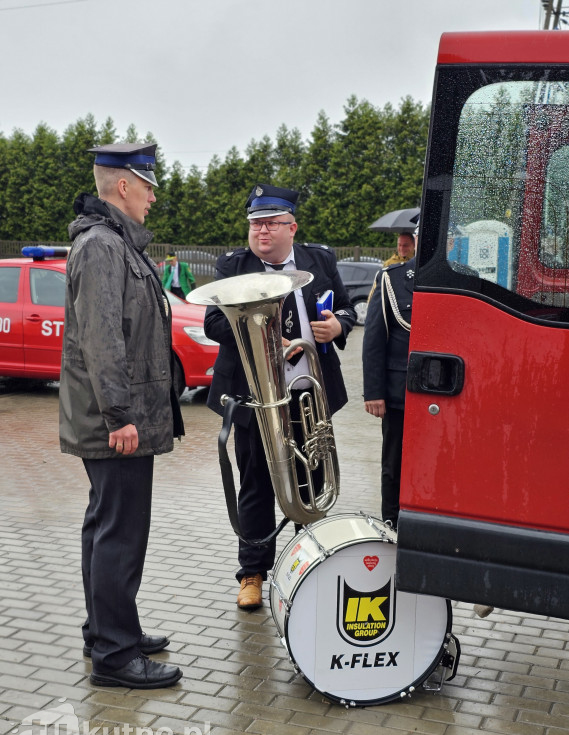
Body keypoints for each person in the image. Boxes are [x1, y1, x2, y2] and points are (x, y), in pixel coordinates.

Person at [59, 142, 185, 689]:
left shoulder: (114, 243)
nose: (155, 196)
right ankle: (115, 655)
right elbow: (103, 340)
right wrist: (119, 416)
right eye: (149, 185)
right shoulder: (102, 246)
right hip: (115, 421)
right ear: (126, 186)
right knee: (120, 535)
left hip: (116, 417)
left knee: (104, 526)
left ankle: (106, 627)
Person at [204, 183, 356, 609]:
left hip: (309, 393)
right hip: (255, 397)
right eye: (255, 224)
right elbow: (215, 324)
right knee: (255, 486)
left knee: (312, 482)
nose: (261, 231)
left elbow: (346, 308)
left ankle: (308, 566)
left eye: (270, 223)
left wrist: (337, 327)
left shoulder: (320, 259)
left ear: (292, 226)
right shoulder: (234, 265)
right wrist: (264, 337)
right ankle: (252, 573)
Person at [362, 255, 415, 529]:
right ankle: (391, 523)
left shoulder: (461, 275)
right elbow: (373, 338)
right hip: (400, 393)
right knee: (393, 465)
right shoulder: (391, 278)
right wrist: (373, 392)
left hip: (449, 392)